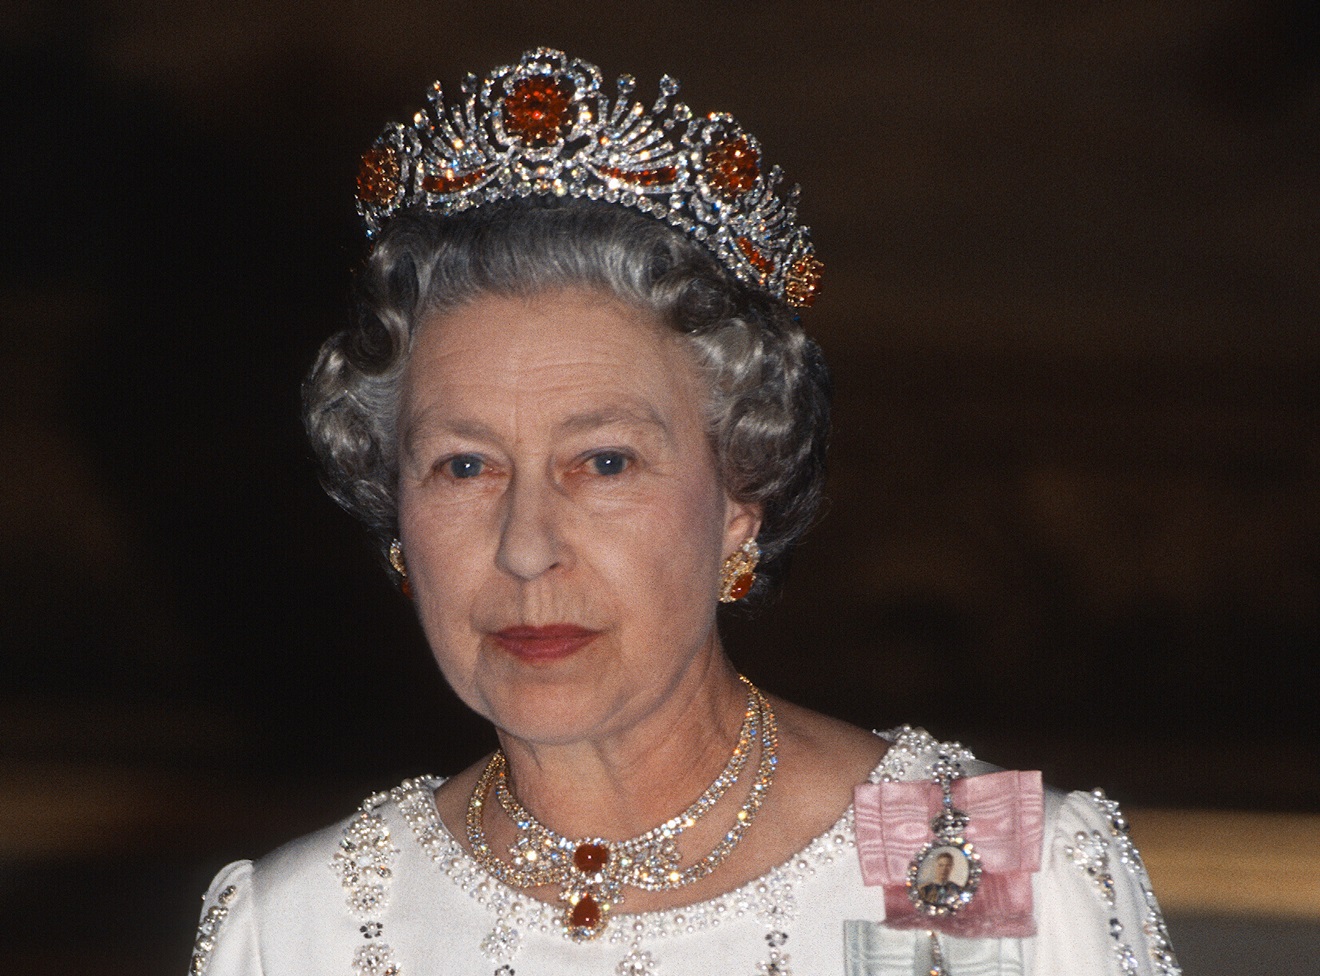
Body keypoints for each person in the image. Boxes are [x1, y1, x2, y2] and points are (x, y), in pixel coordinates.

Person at [188, 49, 1181, 976]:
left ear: (744, 497)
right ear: (397, 518)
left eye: (605, 460)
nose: (528, 548)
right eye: (463, 465)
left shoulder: (961, 856)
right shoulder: (305, 926)